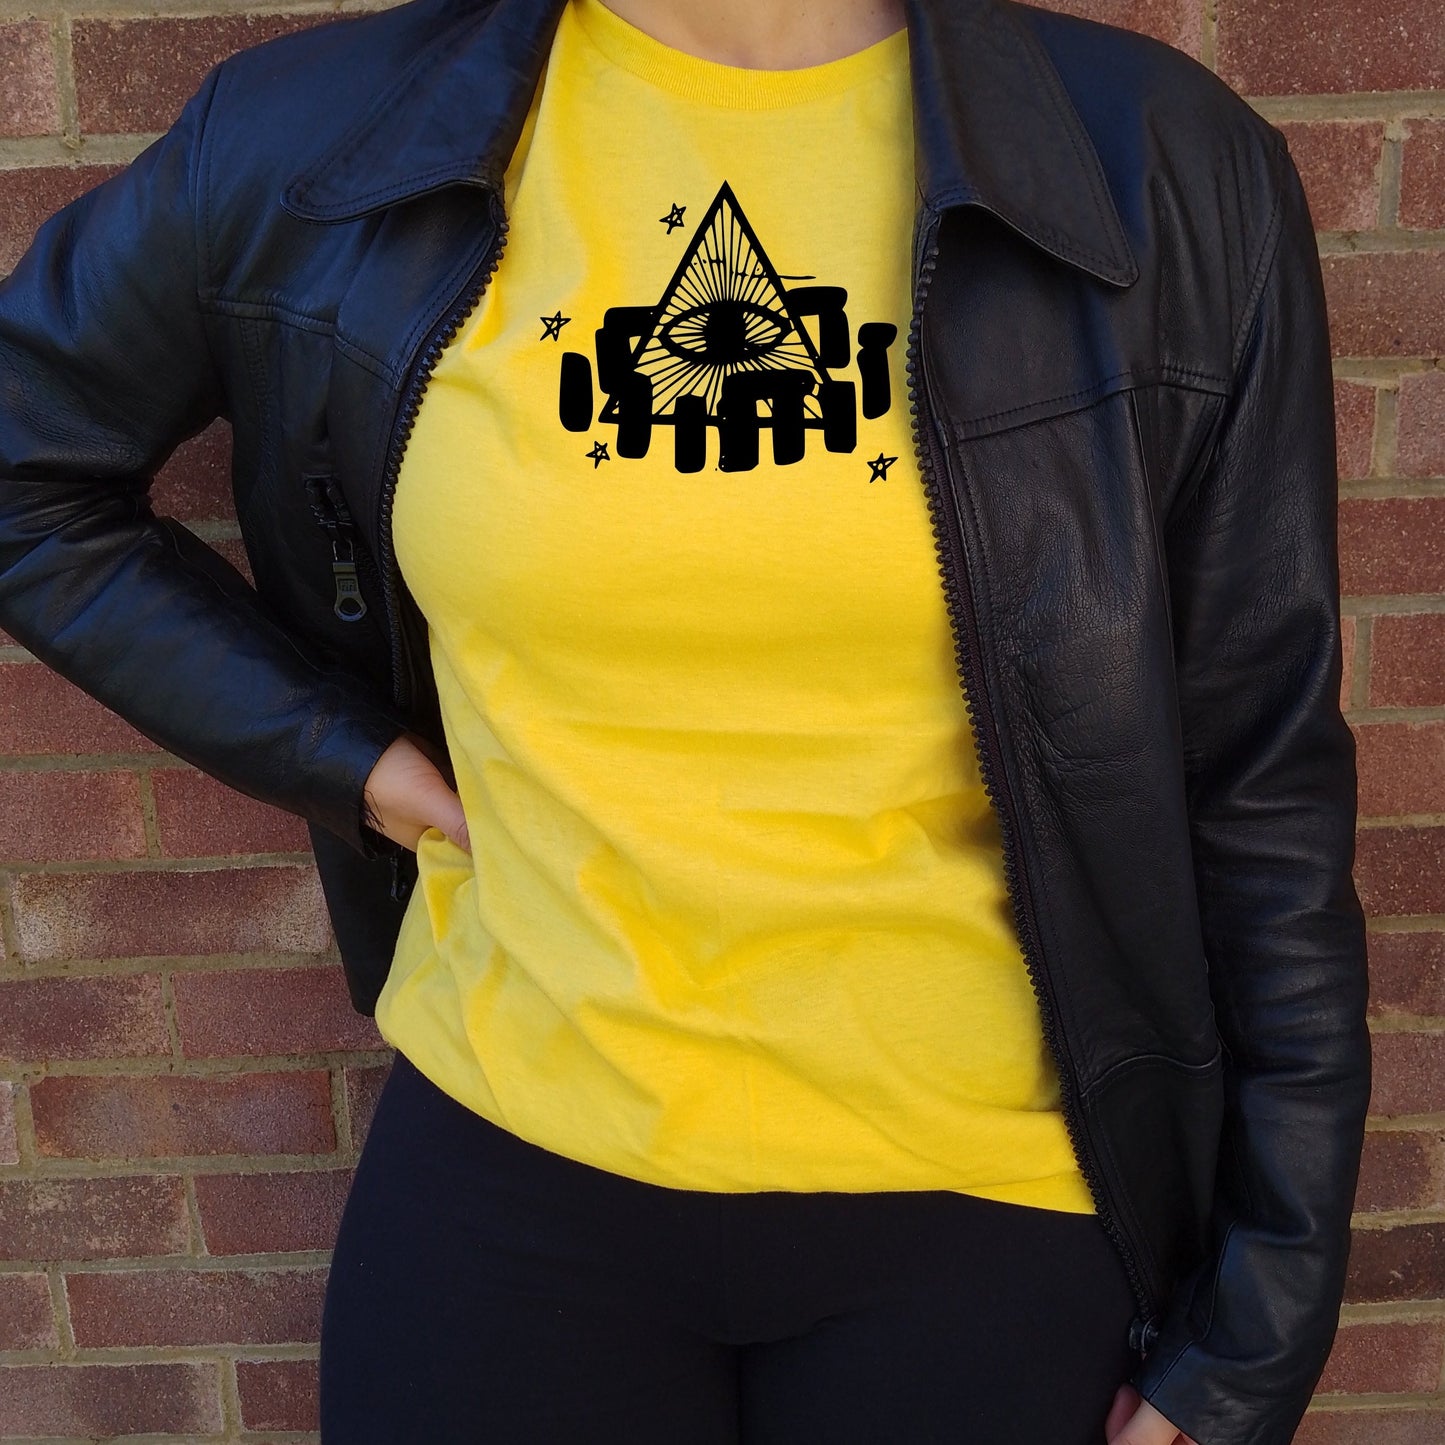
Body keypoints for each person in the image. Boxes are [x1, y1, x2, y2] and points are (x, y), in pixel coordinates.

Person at [0, 0, 1371, 1441]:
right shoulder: (323, 141)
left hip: (995, 1204)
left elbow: (1262, 781)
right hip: (508, 1176)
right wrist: (342, 759)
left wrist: (1254, 1333)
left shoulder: (1156, 167)